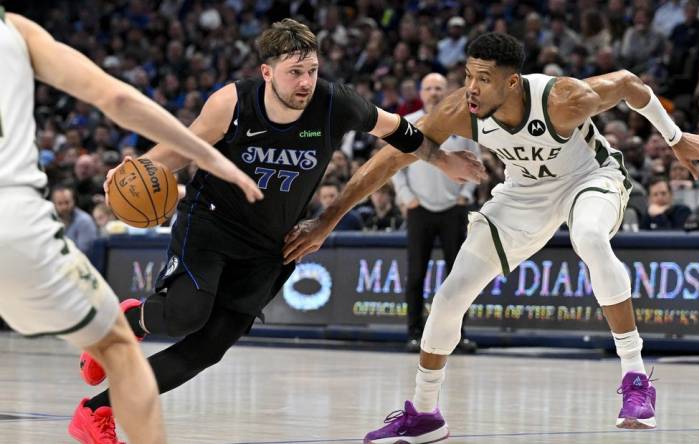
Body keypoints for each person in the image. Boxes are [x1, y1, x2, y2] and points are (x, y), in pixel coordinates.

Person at [283, 32, 699, 442]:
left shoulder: (563, 99)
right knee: (451, 294)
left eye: (483, 79)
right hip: (524, 192)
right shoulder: (460, 110)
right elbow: (394, 156)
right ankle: (426, 413)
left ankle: (635, 377)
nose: (471, 87)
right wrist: (329, 218)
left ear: (512, 83)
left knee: (588, 236)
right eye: (469, 75)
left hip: (590, 178)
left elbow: (627, 84)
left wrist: (675, 138)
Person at [77, 18, 484, 441]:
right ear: (267, 72)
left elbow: (398, 130)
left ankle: (96, 411)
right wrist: (136, 170)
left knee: (208, 349)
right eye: (295, 72)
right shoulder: (231, 103)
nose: (306, 81)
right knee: (185, 315)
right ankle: (124, 325)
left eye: (311, 70)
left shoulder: (335, 103)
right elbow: (181, 148)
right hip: (212, 222)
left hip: (270, 244)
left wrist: (441, 159)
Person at [0, 10, 263, 444]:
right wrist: (211, 158)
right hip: (17, 224)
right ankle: (119, 352)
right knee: (120, 350)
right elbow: (117, 100)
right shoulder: (14, 29)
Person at [392, 73, 480, 353]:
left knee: (459, 276)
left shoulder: (462, 123)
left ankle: (457, 335)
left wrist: (465, 197)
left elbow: (475, 163)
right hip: (420, 209)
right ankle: (413, 334)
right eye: (428, 88)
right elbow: (394, 165)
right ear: (421, 91)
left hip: (454, 210)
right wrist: (407, 198)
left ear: (447, 92)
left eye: (438, 88)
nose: (433, 92)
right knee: (416, 275)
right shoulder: (409, 123)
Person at [51, 186, 98, 254]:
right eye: (60, 203)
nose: (64, 207)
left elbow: (83, 252)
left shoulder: (84, 221)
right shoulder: (50, 221)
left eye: (67, 202)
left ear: (74, 201)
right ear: (54, 204)